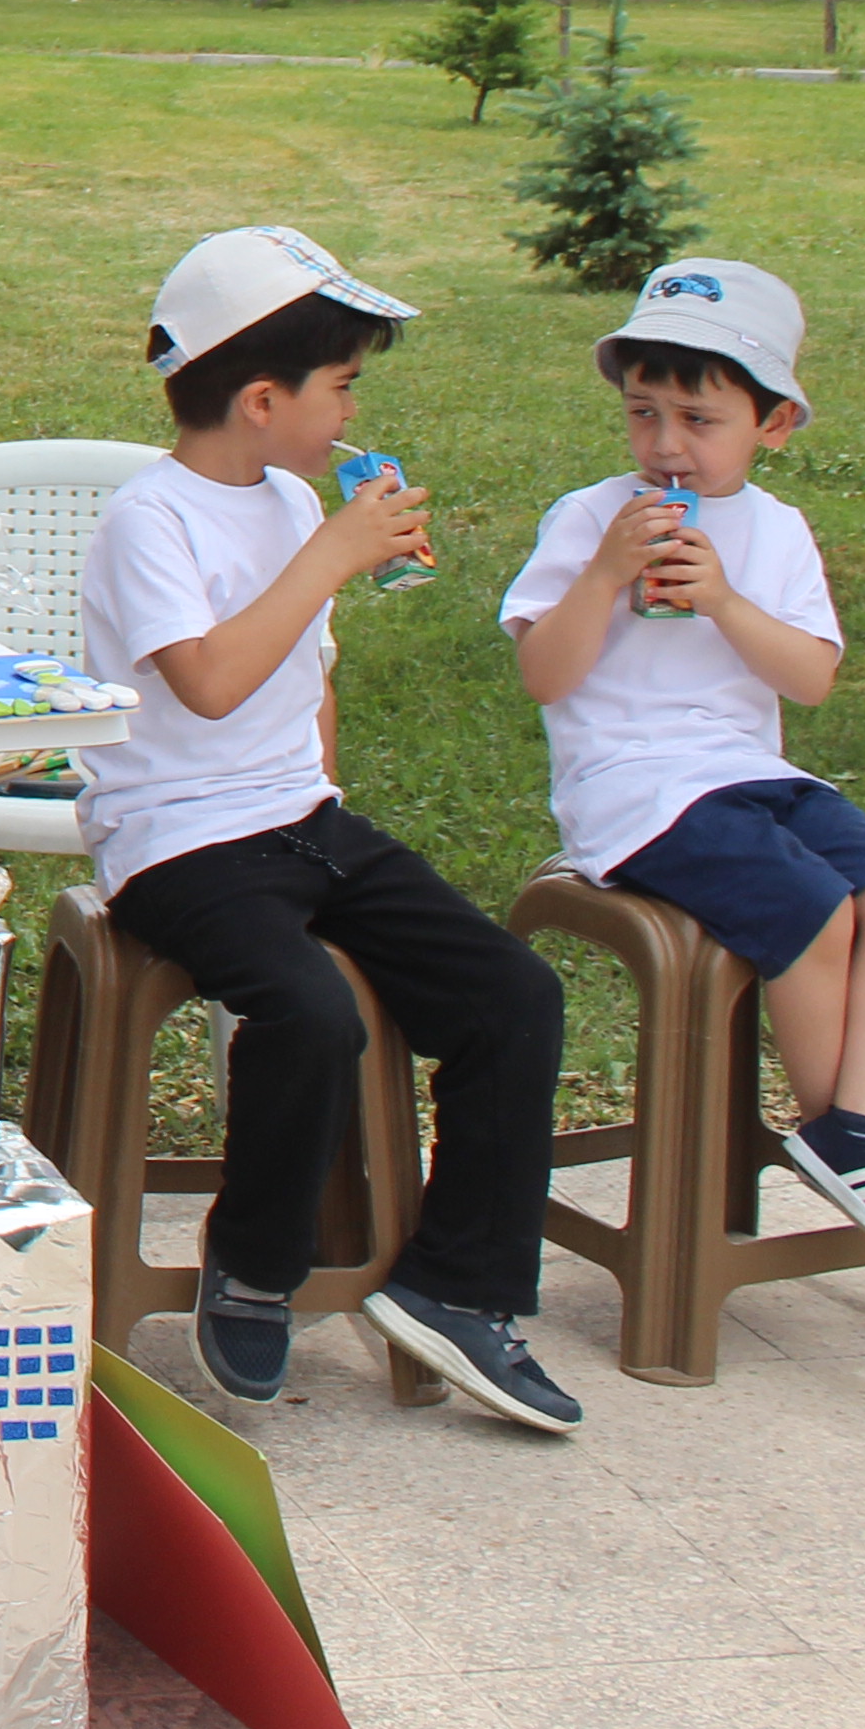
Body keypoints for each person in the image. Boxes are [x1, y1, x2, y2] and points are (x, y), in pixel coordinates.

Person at [75, 226, 577, 1432]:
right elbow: (205, 681)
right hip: (177, 838)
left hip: (301, 819)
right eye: (342, 384)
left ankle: (459, 1286)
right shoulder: (152, 520)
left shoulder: (296, 497)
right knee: (310, 1011)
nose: (355, 406)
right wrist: (330, 558)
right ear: (260, 398)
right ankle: (252, 1263)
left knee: (513, 994)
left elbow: (309, 681)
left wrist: (331, 806)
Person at [504, 258, 865, 1263]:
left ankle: (853, 1127)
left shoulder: (779, 533)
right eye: (642, 413)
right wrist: (608, 575)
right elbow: (545, 673)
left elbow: (810, 679)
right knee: (819, 907)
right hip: (634, 794)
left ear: (774, 423)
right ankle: (853, 1146)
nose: (665, 446)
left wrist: (725, 601)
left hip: (752, 776)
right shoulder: (588, 521)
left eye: (698, 421)